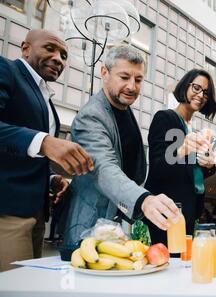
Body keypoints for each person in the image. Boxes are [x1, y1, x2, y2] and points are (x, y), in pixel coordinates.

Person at [61, 46, 179, 255]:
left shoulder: (124, 110)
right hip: (87, 231)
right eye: (124, 77)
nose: (132, 86)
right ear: (104, 73)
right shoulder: (92, 116)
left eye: (138, 79)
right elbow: (104, 168)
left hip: (115, 230)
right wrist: (144, 200)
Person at [0, 30, 94, 271]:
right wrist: (44, 142)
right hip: (7, 213)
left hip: (37, 213)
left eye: (63, 55)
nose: (58, 59)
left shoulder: (45, 99)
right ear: (25, 48)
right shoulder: (6, 70)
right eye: (50, 49)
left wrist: (51, 178)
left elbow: (19, 156)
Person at [145, 69, 216, 245]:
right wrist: (181, 150)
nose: (201, 95)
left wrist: (208, 165)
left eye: (206, 93)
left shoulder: (191, 129)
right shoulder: (165, 118)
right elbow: (157, 166)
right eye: (196, 88)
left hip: (188, 210)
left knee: (182, 265)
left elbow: (190, 172)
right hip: (166, 211)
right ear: (185, 86)